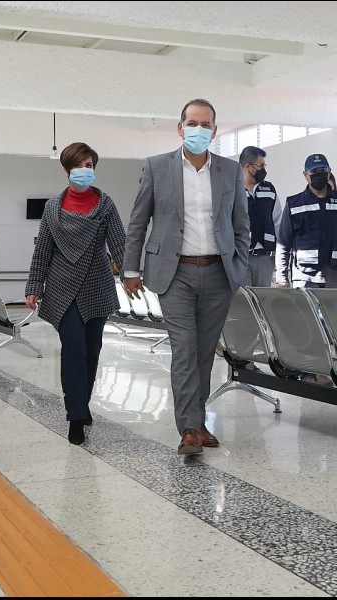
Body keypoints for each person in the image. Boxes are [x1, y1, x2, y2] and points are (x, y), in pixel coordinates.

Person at [122, 98, 250, 456]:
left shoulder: (229, 170)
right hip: (173, 272)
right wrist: (130, 269)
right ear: (180, 128)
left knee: (204, 352)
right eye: (192, 123)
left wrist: (238, 264)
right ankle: (189, 428)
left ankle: (198, 420)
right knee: (184, 349)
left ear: (214, 130)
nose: (199, 129)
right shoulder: (156, 166)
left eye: (205, 124)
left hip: (218, 273)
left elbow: (241, 224)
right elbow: (138, 221)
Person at [24, 142, 126, 445]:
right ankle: (75, 415)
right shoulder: (52, 208)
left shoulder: (105, 205)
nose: (84, 170)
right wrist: (34, 285)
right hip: (62, 286)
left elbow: (119, 242)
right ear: (66, 170)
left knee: (91, 350)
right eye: (78, 166)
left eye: (89, 165)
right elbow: (43, 249)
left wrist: (130, 274)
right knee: (74, 348)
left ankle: (83, 403)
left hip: (97, 285)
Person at [276, 154, 337, 289]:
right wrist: (281, 277)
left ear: (329, 172)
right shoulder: (294, 204)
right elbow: (283, 243)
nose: (319, 175)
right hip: (304, 277)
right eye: (314, 172)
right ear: (305, 175)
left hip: (334, 276)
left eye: (323, 170)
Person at [239, 146, 281, 287]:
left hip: (265, 257)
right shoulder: (233, 189)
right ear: (247, 167)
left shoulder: (269, 189)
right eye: (260, 166)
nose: (263, 170)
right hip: (241, 256)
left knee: (263, 298)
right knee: (243, 298)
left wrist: (278, 255)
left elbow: (278, 222)